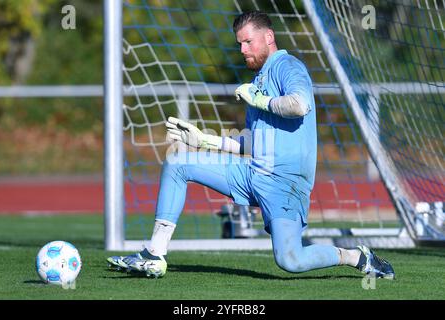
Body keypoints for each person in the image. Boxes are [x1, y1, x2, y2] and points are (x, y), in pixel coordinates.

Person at [107, 11, 395, 280]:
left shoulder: (288, 66)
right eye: (240, 44)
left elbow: (300, 105)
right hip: (251, 172)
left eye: (248, 42)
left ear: (268, 37)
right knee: (177, 162)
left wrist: (259, 100)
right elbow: (253, 142)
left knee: (290, 261)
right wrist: (204, 140)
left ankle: (357, 257)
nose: (243, 49)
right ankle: (154, 255)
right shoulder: (257, 80)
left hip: (284, 183)